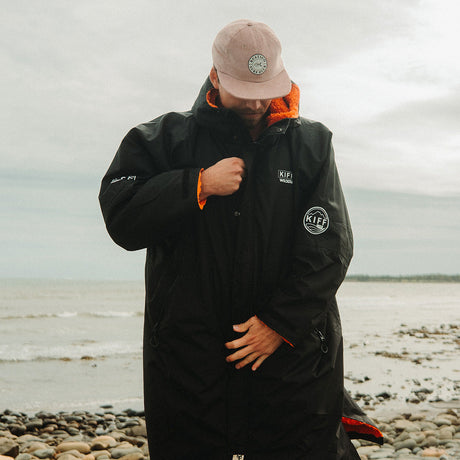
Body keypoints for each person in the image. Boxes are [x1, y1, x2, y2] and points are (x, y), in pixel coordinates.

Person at [99, 19, 382, 460]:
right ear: (215, 77)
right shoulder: (163, 140)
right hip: (189, 362)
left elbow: (330, 249)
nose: (255, 103)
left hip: (290, 358)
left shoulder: (311, 145)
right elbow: (121, 217)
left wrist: (279, 324)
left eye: (265, 89)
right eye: (244, 91)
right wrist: (196, 184)